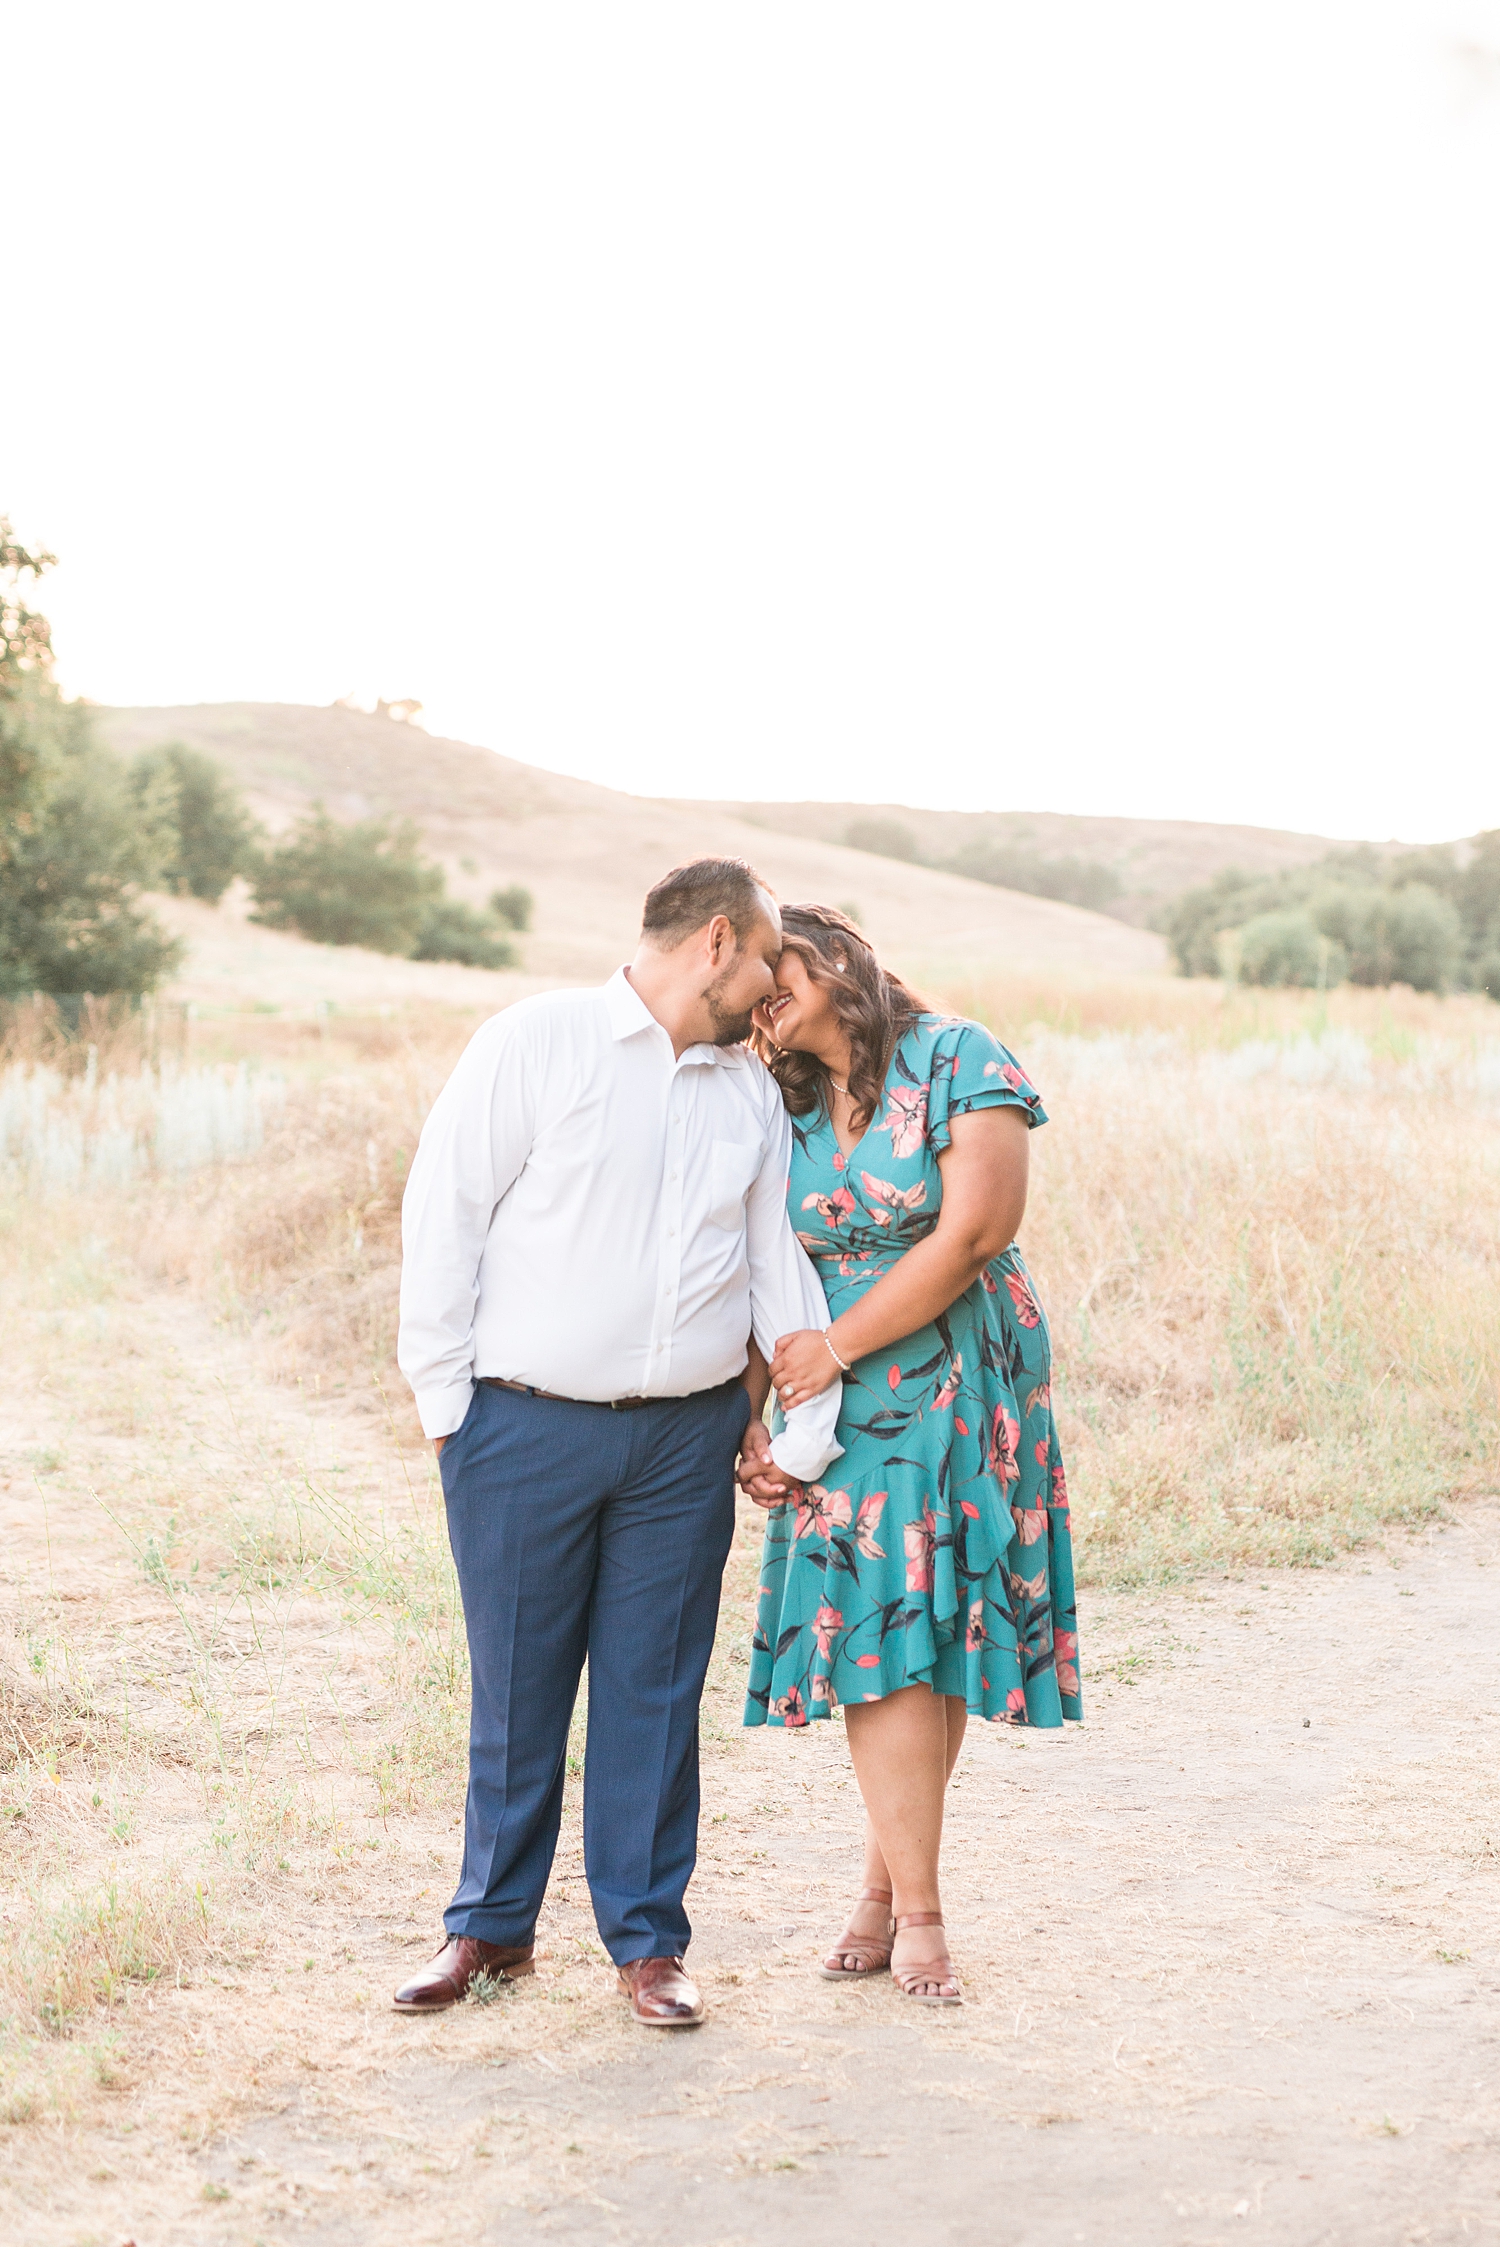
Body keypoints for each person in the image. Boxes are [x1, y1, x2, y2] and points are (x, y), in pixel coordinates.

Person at [394, 859, 842, 2028]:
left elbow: (766, 1264)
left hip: (682, 1444)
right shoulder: (533, 1044)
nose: (770, 987)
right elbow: (443, 1216)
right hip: (521, 1426)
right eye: (763, 959)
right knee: (518, 1683)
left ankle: (647, 1942)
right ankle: (489, 1928)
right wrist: (450, 1415)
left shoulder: (745, 1094)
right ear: (714, 941)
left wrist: (802, 1421)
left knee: (654, 1689)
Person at [737, 904, 1081, 2006]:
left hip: (954, 1372)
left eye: (772, 970)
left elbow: (975, 1230)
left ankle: (908, 1908)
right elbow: (753, 1263)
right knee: (889, 1627)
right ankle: (893, 1894)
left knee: (922, 1627)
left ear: (833, 958)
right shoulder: (776, 1098)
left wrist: (833, 1348)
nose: (759, 997)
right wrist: (761, 1411)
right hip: (831, 1399)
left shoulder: (956, 1058)